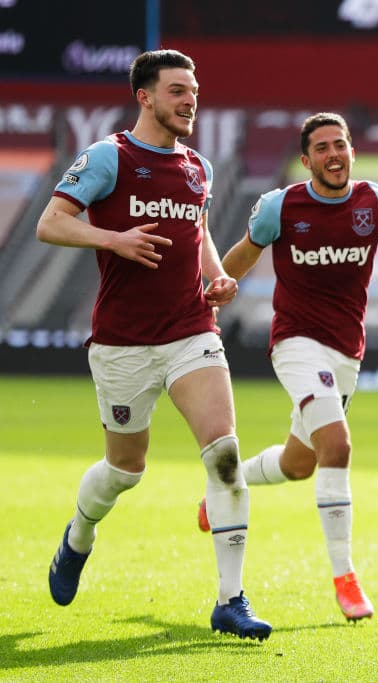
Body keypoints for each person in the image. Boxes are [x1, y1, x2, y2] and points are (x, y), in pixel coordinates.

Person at [197, 112, 378, 622]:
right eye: (322, 148)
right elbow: (240, 256)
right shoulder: (280, 207)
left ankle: (223, 487)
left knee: (298, 463)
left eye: (340, 145)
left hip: (346, 352)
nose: (333, 155)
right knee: (339, 443)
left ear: (352, 152)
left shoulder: (376, 202)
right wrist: (211, 295)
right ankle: (346, 578)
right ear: (306, 161)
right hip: (295, 342)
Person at [37, 49, 271, 640]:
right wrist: (114, 239)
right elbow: (52, 222)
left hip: (191, 329)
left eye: (194, 89)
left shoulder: (198, 166)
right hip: (121, 341)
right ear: (144, 96)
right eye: (177, 91)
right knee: (125, 469)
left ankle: (230, 600)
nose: (190, 100)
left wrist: (216, 275)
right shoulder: (108, 157)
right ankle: (78, 537)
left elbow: (196, 233)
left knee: (224, 453)